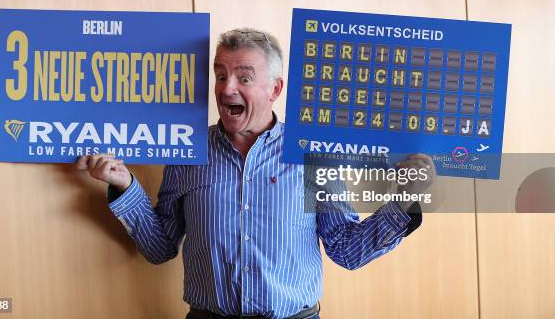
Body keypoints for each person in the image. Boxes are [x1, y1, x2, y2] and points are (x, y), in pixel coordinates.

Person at [76, 28, 436, 319]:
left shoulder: (312, 155)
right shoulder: (188, 152)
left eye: (243, 78)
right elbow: (160, 247)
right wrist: (124, 187)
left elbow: (346, 249)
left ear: (275, 89)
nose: (226, 88)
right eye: (220, 75)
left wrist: (403, 200)